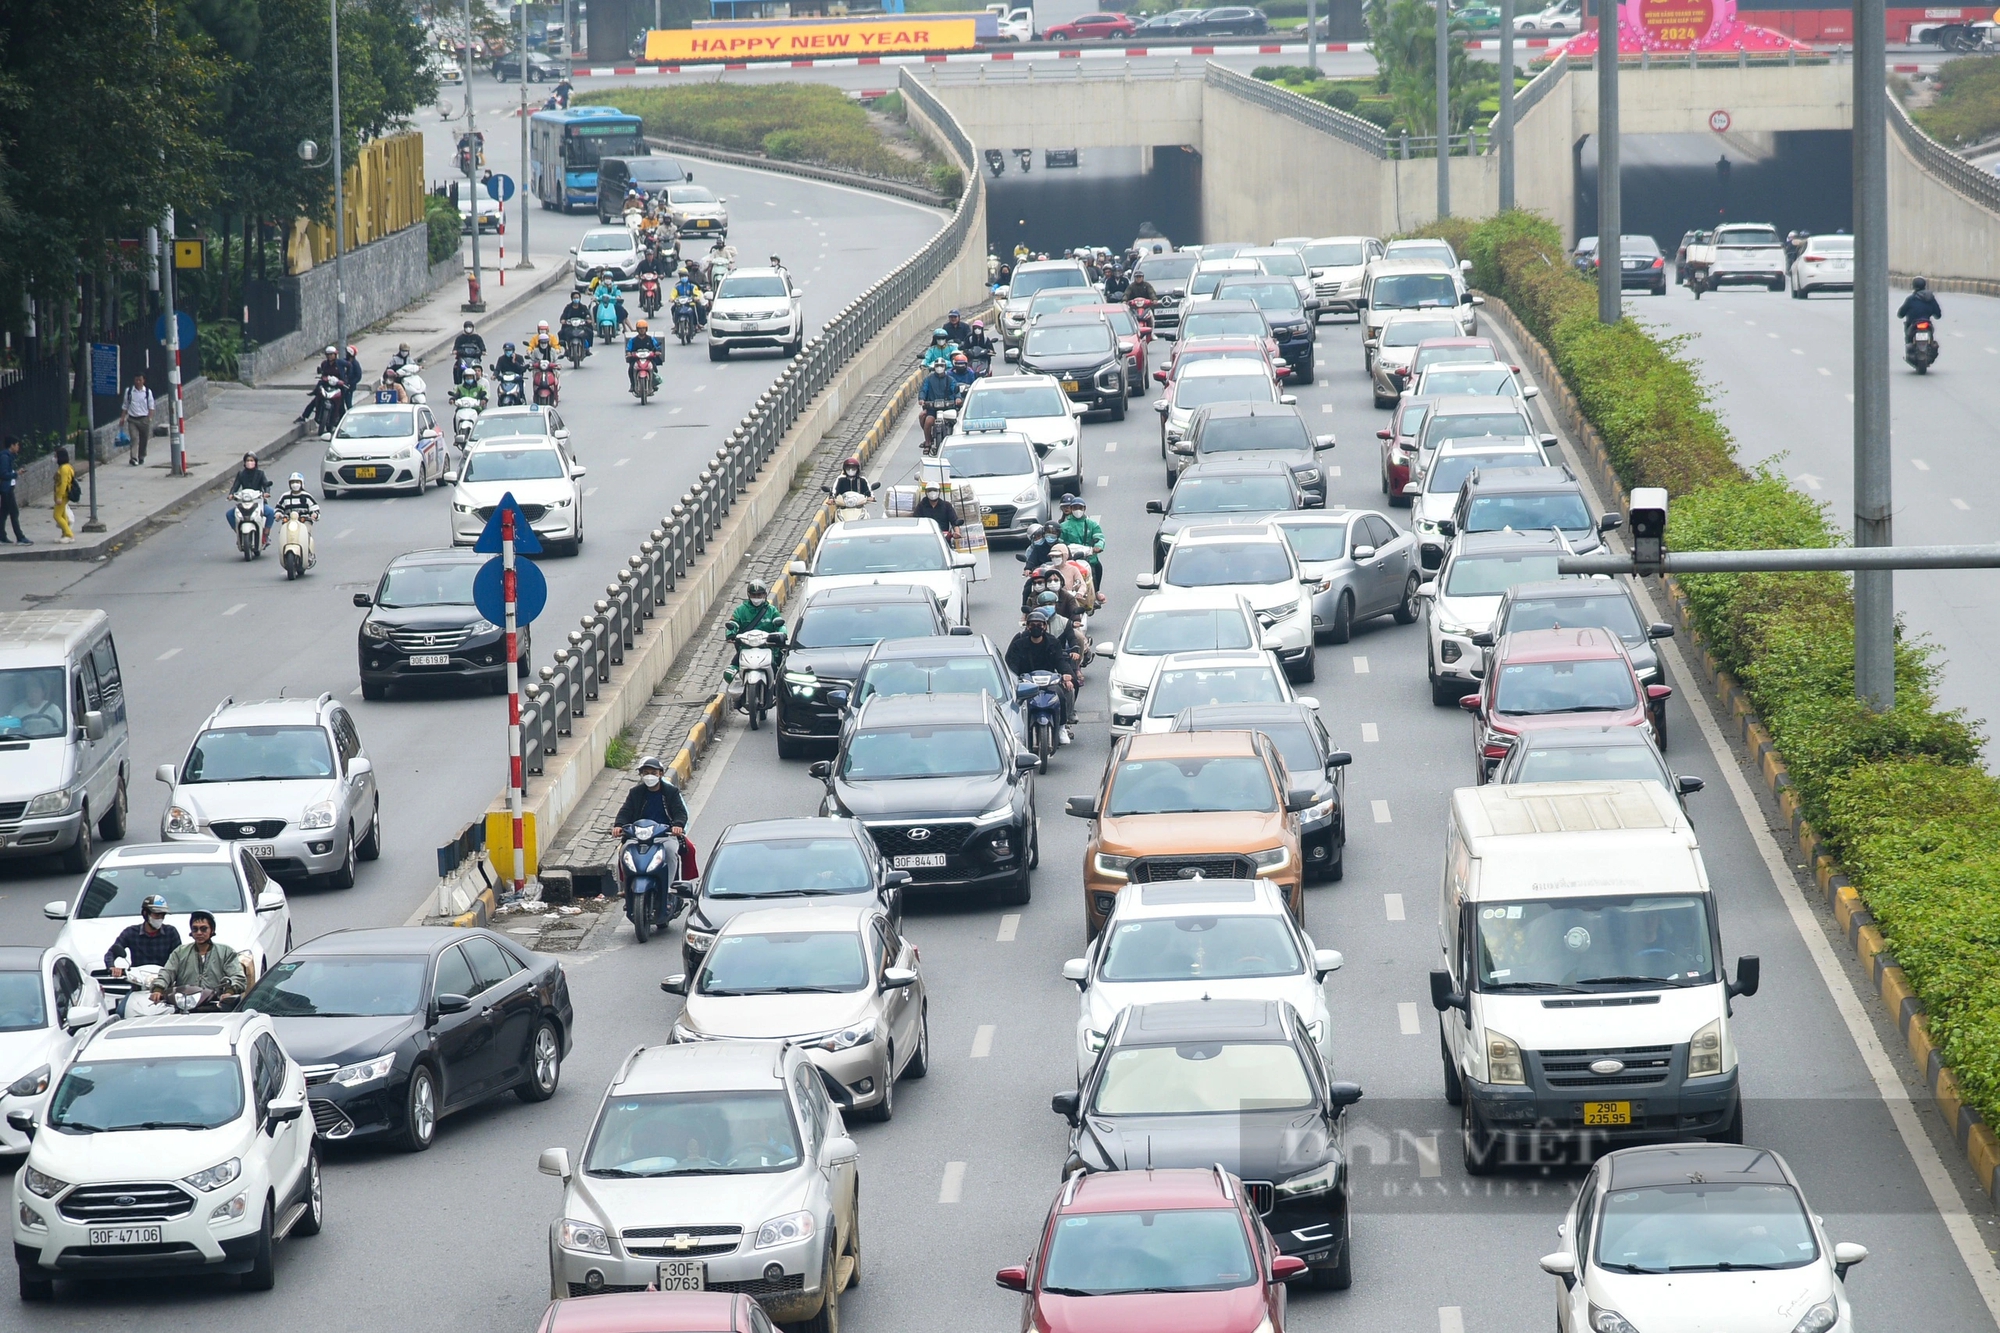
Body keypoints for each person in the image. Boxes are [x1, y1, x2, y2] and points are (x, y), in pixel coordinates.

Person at [610, 756, 698, 883]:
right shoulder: (635, 792)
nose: (649, 776)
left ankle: (669, 888)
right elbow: (626, 811)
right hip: (639, 837)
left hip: (665, 835)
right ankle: (628, 886)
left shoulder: (671, 792)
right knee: (625, 851)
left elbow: (680, 812)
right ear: (641, 774)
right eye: (646, 773)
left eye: (653, 773)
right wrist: (619, 825)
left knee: (670, 852)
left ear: (660, 773)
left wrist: (678, 825)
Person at [1005, 608, 1079, 742]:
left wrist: (1067, 675)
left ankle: (1062, 727)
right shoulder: (1019, 643)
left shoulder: (1053, 642)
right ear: (1027, 626)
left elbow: (1060, 661)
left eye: (1039, 625)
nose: (1036, 627)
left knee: (1061, 695)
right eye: (1032, 625)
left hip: (1049, 682)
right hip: (1025, 683)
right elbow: (1011, 664)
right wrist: (1013, 680)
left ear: (1045, 626)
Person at [150, 910, 246, 1006]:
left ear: (212, 930)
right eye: (195, 929)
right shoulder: (180, 952)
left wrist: (229, 992)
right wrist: (158, 989)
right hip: (184, 1005)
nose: (199, 933)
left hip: (215, 1005)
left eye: (204, 929)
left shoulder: (226, 952)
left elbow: (238, 977)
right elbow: (167, 972)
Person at [725, 580, 786, 708]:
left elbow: (780, 624)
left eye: (759, 595)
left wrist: (782, 635)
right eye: (754, 595)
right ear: (748, 595)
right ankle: (739, 695)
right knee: (729, 673)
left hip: (768, 649)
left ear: (764, 595)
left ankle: (779, 697)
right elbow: (734, 623)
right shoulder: (741, 610)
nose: (757, 598)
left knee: (783, 674)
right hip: (745, 649)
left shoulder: (771, 610)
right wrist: (731, 633)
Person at [104, 894, 181, 975]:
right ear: (145, 913)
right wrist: (112, 967)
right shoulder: (131, 932)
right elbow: (111, 952)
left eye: (163, 915)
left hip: (164, 980)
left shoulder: (171, 932)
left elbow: (179, 957)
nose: (160, 918)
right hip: (137, 980)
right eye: (157, 915)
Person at [226, 451, 276, 546]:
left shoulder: (260, 473)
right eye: (248, 460)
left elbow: (266, 484)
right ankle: (239, 534)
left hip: (258, 501)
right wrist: (231, 494)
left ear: (256, 462)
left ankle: (265, 535)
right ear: (244, 462)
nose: (250, 462)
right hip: (244, 501)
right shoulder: (241, 474)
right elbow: (235, 486)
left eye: (252, 460)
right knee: (229, 514)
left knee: (270, 513)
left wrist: (266, 493)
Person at [1056, 494, 1105, 589]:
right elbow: (1060, 542)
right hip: (1070, 559)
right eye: (1075, 507)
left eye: (1080, 507)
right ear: (1071, 508)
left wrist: (1098, 546)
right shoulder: (1064, 526)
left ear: (1084, 508)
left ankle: (1096, 593)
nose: (1077, 510)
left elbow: (1099, 537)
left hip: (1089, 558)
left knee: (1097, 568)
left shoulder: (1092, 524)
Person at [274, 472, 320, 567]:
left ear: (302, 483)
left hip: (304, 521)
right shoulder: (285, 496)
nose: (295, 484)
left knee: (306, 534)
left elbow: (315, 508)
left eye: (297, 482)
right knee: (283, 535)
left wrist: (314, 515)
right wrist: (278, 514)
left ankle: (308, 554)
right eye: (292, 482)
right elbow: (279, 508)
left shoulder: (307, 496)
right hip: (289, 522)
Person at [918, 361, 957, 448]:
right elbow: (923, 390)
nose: (939, 367)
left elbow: (955, 390)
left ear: (945, 367)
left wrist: (957, 398)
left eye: (941, 366)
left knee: (956, 421)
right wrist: (921, 399)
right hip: (932, 409)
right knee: (927, 421)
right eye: (937, 366)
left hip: (947, 408)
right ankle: (928, 441)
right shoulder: (928, 379)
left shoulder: (950, 380)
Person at [120, 372, 155, 466]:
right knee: (134, 438)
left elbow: (151, 406)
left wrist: (150, 418)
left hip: (144, 419)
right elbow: (125, 405)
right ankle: (133, 457)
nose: (138, 382)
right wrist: (122, 417)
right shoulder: (129, 391)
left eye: (140, 380)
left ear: (143, 380)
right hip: (132, 419)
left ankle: (141, 456)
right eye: (136, 380)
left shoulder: (147, 392)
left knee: (144, 439)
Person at [1898, 276, 1942, 343]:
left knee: (1908, 336)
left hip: (1913, 325)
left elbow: (1901, 314)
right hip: (1927, 324)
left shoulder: (1911, 299)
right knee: (1931, 339)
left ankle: (1909, 344)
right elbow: (1938, 315)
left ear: (1913, 286)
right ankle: (1930, 344)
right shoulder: (1931, 299)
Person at [0, 436, 25, 544]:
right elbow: (4, 474)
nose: (18, 447)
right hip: (6, 489)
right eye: (17, 445)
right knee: (14, 512)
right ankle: (20, 537)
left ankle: (2, 536)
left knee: (4, 512)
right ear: (12, 445)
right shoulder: (5, 457)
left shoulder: (9, 456)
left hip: (7, 488)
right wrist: (16, 474)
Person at [626, 319, 662, 394]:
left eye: (643, 328)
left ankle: (653, 383)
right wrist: (629, 353)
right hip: (636, 359)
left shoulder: (650, 339)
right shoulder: (633, 340)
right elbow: (628, 349)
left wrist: (657, 351)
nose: (642, 330)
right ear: (637, 330)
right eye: (640, 329)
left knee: (654, 368)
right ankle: (632, 385)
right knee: (630, 369)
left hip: (648, 359)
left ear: (646, 329)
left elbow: (657, 347)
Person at [51, 446, 74, 543]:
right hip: (62, 495)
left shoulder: (64, 468)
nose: (54, 458)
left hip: (63, 495)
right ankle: (64, 534)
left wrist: (59, 496)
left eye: (56, 456)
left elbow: (63, 483)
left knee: (56, 515)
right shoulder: (67, 467)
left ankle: (69, 534)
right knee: (63, 515)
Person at [338, 343, 364, 409]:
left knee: (348, 403)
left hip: (349, 387)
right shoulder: (344, 361)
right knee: (340, 403)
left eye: (347, 353)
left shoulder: (355, 364)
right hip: (342, 385)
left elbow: (358, 376)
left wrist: (350, 383)